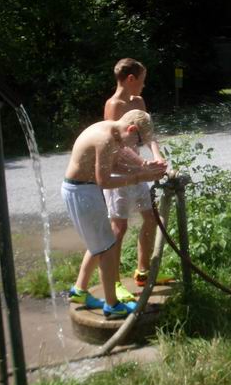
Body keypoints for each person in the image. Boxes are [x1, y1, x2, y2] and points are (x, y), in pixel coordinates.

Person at [69, 58, 168, 307]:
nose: (144, 86)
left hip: (136, 169)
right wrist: (141, 169)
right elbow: (116, 149)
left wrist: (156, 157)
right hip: (119, 172)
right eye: (142, 81)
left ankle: (142, 272)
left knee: (149, 218)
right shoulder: (113, 106)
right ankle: (113, 286)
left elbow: (147, 134)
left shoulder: (138, 103)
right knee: (117, 229)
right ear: (131, 79)